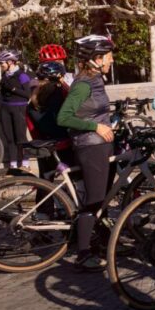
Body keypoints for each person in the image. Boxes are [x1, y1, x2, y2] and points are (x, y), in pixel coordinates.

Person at [56, 35, 117, 271]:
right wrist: (96, 127)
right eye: (109, 57)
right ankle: (83, 253)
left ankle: (102, 240)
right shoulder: (82, 84)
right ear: (96, 59)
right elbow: (64, 117)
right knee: (93, 201)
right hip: (90, 146)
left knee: (101, 197)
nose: (112, 61)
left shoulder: (95, 80)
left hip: (101, 144)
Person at [28, 61, 73, 184]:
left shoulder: (35, 96)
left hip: (43, 144)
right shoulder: (57, 93)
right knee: (79, 175)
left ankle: (45, 203)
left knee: (45, 182)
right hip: (62, 144)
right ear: (58, 77)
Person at [0, 49, 32, 168]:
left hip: (19, 109)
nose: (0, 66)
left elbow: (28, 94)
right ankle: (13, 164)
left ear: (10, 62)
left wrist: (13, 89)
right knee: (9, 138)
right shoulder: (4, 75)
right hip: (5, 108)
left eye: (2, 63)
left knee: (20, 137)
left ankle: (25, 163)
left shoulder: (22, 75)